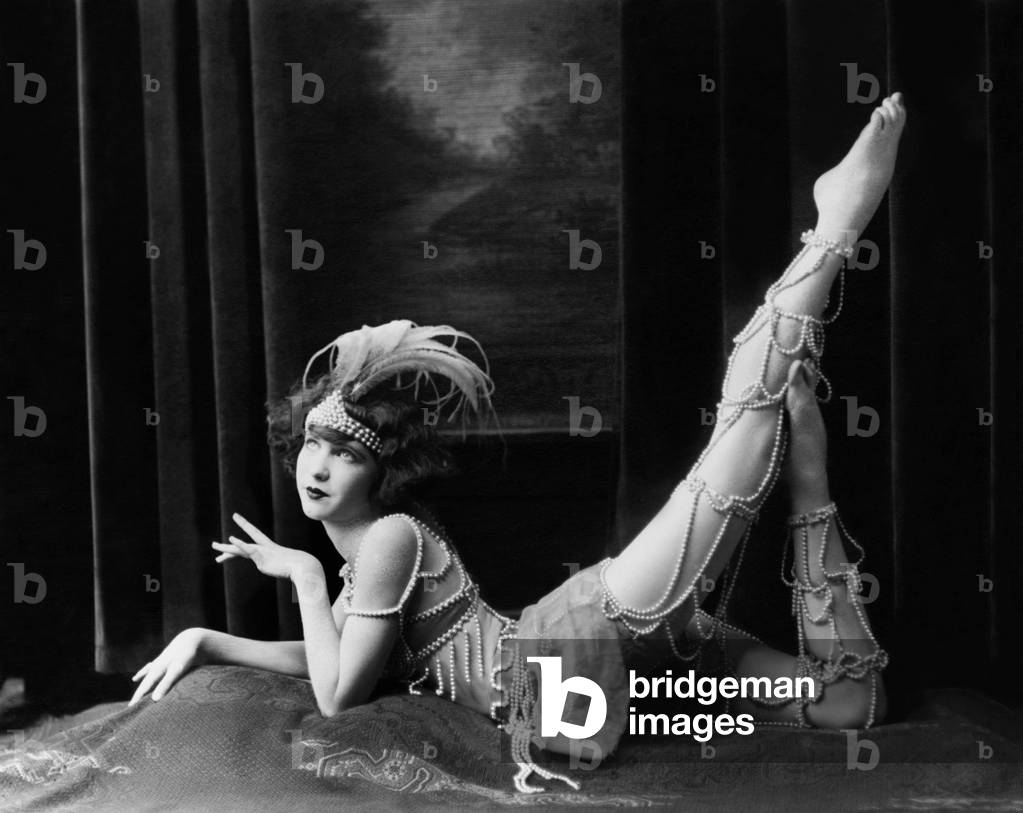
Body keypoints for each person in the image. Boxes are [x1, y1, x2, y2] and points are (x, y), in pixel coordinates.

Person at [129, 92, 906, 794]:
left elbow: (336, 696)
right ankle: (809, 480)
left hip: (560, 646)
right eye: (314, 445)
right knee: (846, 706)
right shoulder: (361, 569)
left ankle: (830, 232)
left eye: (349, 452)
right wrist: (208, 639)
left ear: (382, 470)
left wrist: (296, 569)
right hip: (598, 682)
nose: (321, 466)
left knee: (726, 460)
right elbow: (334, 662)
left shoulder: (391, 539)